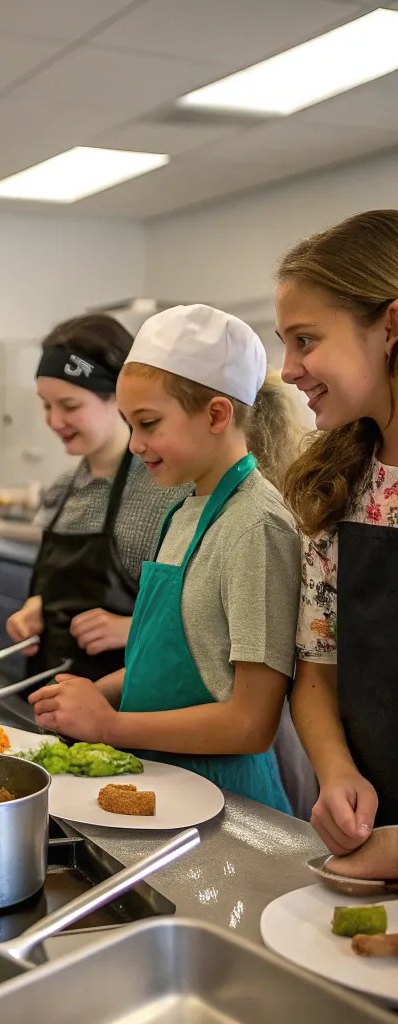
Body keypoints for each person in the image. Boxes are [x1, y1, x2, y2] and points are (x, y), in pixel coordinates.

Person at [29, 305, 304, 812]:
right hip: (164, 785)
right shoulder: (184, 511)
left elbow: (250, 723)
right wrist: (97, 692)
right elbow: (174, 663)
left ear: (217, 415)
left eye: (149, 423)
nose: (135, 445)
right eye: (130, 424)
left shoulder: (256, 526)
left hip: (226, 802)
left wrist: (109, 724)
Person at [277, 209, 398, 874]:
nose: (288, 369)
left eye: (305, 340)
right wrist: (336, 771)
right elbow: (317, 666)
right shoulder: (339, 483)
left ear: (391, 326)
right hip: (367, 832)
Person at [6, 315, 189, 684]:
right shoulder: (63, 488)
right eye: (46, 405)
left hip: (129, 700)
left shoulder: (169, 489)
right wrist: (37, 609)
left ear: (119, 398)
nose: (54, 421)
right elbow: (59, 587)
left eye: (69, 406)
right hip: (51, 691)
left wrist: (129, 628)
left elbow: (206, 613)